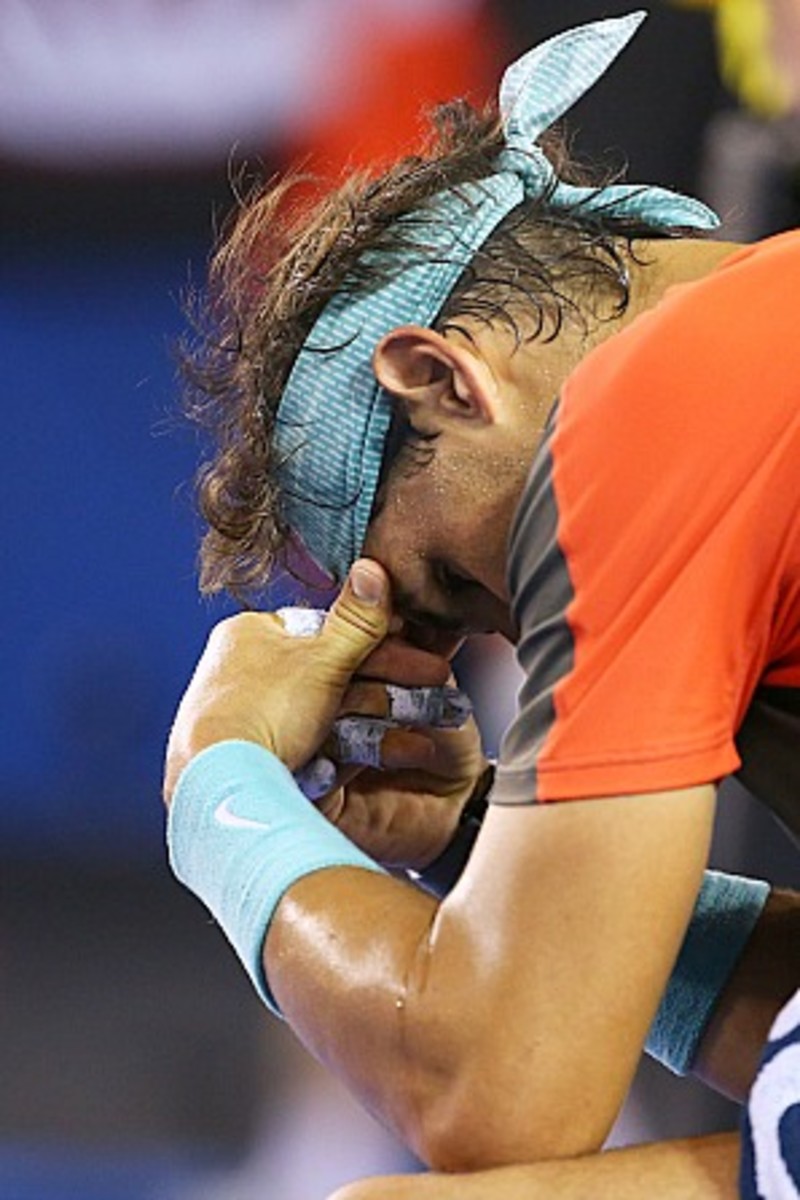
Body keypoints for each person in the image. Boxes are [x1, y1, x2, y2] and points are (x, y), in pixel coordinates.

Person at [165, 12, 800, 1198]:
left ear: (441, 378)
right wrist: (474, 856)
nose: (512, 635)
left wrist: (217, 791)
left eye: (456, 583)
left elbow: (488, 1099)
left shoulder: (647, 411)